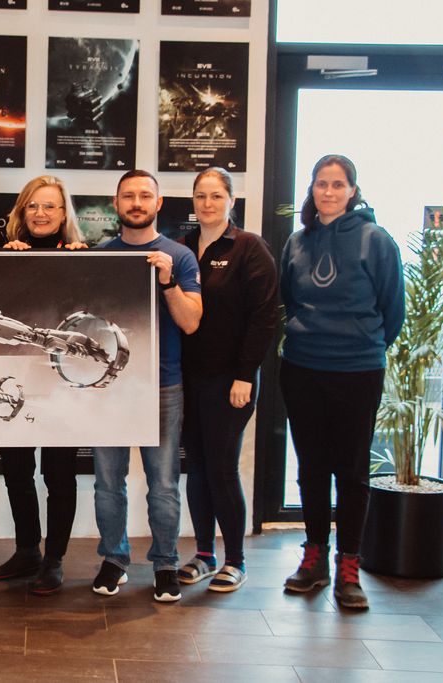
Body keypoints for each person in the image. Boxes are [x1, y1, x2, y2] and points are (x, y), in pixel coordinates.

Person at [280, 154, 404, 609]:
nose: (328, 192)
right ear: (311, 189)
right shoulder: (297, 241)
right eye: (321, 183)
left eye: (337, 184)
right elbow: (289, 300)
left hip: (357, 371)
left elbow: (393, 310)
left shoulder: (376, 240)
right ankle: (315, 557)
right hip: (302, 369)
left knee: (351, 472)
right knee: (311, 468)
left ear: (353, 191)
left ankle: (349, 565)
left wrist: (361, 346)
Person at [92, 170, 202, 602]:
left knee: (164, 483)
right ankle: (114, 559)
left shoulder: (180, 256)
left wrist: (168, 281)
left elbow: (191, 323)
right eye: (128, 196)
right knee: (107, 482)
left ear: (158, 204)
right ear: (116, 204)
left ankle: (165, 563)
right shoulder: (101, 256)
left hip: (162, 386)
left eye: (144, 196)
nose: (136, 203)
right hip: (111, 387)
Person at [175, 167, 278, 593]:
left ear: (231, 201)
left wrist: (245, 376)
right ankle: (204, 554)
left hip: (230, 381)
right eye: (201, 196)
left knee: (221, 468)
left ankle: (235, 559)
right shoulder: (182, 248)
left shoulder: (249, 248)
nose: (207, 204)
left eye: (216, 196)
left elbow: (264, 318)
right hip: (187, 379)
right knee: (197, 467)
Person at [0, 176, 85, 595]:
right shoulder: (3, 254)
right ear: (21, 211)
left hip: (60, 384)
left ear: (63, 214)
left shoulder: (84, 257)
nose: (41, 214)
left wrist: (83, 262)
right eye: (33, 206)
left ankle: (54, 559)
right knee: (16, 471)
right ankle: (27, 550)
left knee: (59, 475)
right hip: (16, 378)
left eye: (50, 207)